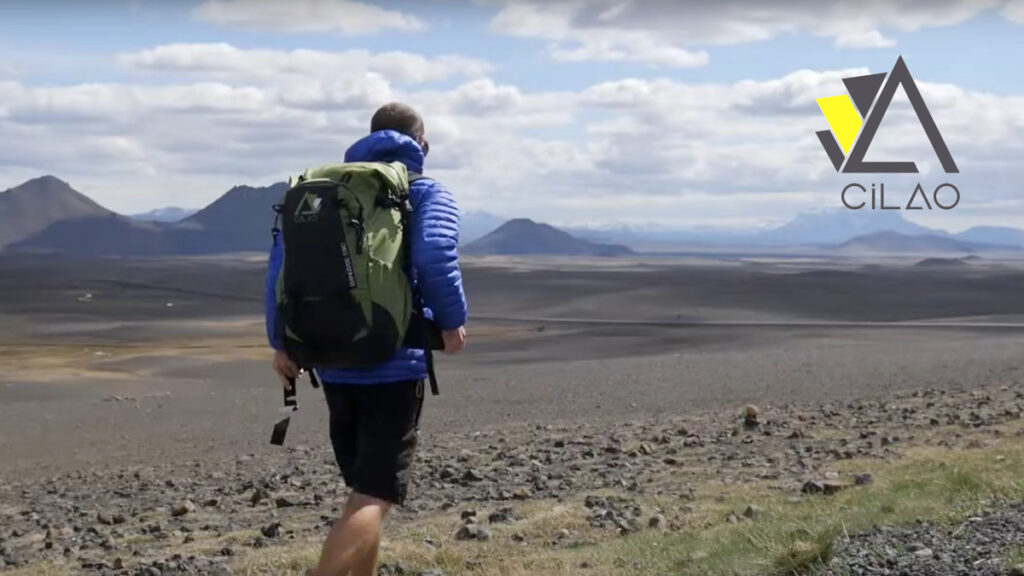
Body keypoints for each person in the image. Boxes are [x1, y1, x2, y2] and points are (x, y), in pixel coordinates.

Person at [264, 102, 468, 576]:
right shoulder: (424, 192)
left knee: (362, 488)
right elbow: (436, 253)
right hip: (392, 361)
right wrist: (453, 321)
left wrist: (281, 343)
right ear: (422, 144)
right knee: (374, 496)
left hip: (329, 359)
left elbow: (279, 269)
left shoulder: (323, 192)